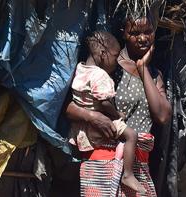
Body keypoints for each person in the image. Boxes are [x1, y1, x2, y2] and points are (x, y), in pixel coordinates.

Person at [66, 15, 171, 197]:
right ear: (123, 33)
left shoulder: (154, 75)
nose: (143, 38)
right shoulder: (106, 68)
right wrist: (91, 117)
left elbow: (162, 116)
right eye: (134, 33)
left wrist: (143, 68)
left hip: (137, 167)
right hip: (102, 161)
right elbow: (68, 107)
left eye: (148, 32)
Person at [69, 31, 145, 192]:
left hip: (81, 129)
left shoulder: (80, 69)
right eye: (116, 56)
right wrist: (117, 115)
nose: (117, 61)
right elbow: (104, 102)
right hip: (99, 126)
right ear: (103, 54)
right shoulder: (101, 76)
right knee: (132, 135)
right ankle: (128, 174)